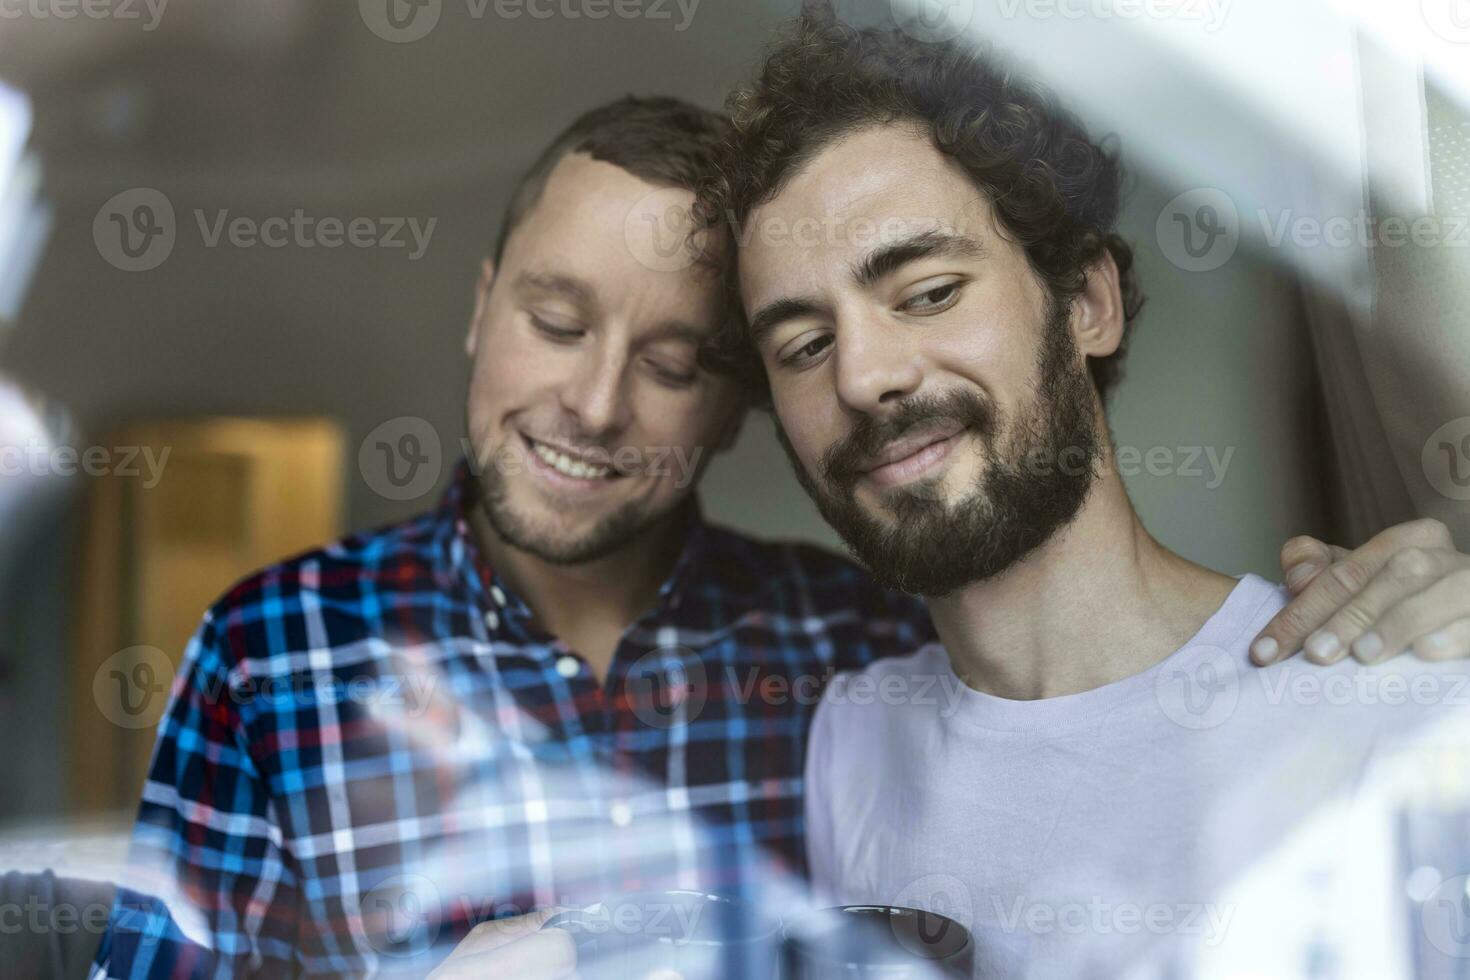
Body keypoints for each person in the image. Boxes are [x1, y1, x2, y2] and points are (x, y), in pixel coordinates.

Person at [99, 86, 1466, 980]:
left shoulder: (840, 660)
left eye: (681, 359)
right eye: (555, 320)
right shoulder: (270, 653)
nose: (588, 398)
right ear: (480, 306)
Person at [697, 13, 1470, 978]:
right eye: (804, 346)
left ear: (1087, 303)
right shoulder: (849, 744)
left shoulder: (1399, 700)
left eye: (929, 292)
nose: (862, 377)